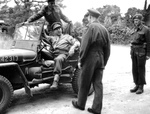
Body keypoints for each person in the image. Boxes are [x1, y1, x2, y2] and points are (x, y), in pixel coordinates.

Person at [72, 8, 111, 114]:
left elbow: (84, 46)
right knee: (98, 84)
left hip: (90, 58)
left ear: (90, 17)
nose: (88, 19)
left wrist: (81, 60)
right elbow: (108, 49)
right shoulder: (104, 29)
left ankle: (80, 104)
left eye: (88, 17)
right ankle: (96, 108)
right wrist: (104, 62)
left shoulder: (90, 27)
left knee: (84, 81)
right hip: (101, 58)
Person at [44, 22, 80, 90]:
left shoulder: (67, 37)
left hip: (63, 54)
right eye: (56, 29)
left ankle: (55, 81)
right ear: (53, 31)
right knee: (41, 54)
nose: (59, 30)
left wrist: (72, 48)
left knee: (58, 59)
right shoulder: (52, 38)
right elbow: (44, 36)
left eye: (59, 28)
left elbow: (77, 42)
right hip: (53, 54)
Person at [130, 13, 150, 94]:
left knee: (140, 69)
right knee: (134, 68)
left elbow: (149, 42)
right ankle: (136, 84)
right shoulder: (134, 29)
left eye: (137, 20)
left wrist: (148, 54)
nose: (135, 22)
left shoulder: (146, 29)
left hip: (141, 51)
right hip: (134, 51)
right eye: (134, 20)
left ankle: (141, 86)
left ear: (141, 20)